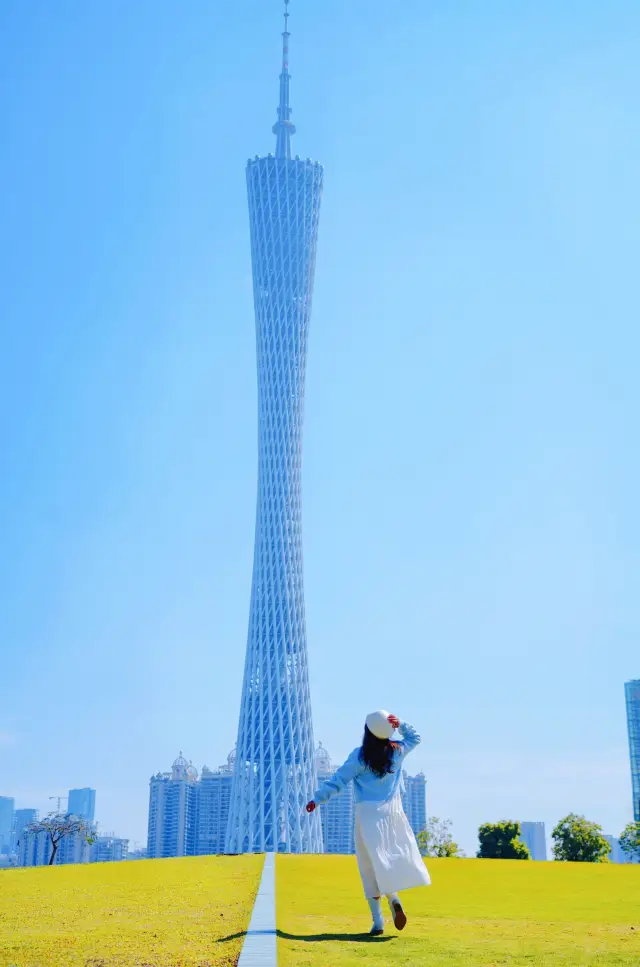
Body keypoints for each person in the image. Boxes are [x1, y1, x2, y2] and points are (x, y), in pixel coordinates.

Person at [306, 710, 430, 936]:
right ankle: (394, 899)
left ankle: (378, 922)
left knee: (368, 866)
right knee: (388, 859)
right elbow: (415, 738)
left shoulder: (360, 757)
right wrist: (400, 723)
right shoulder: (397, 751)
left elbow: (338, 781)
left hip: (367, 815)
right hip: (392, 812)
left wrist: (317, 799)